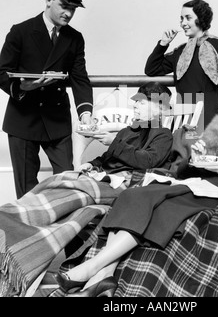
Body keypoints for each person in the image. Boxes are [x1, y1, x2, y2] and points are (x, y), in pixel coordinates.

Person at [52, 86, 218, 297]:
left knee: (163, 206)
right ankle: (103, 275)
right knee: (135, 194)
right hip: (199, 185)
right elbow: (185, 169)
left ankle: (91, 270)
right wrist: (197, 157)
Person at [0, 81, 174, 297]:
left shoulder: (162, 134)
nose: (135, 106)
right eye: (136, 101)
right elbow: (108, 158)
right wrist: (94, 164)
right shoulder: (130, 130)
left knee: (69, 184)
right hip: (101, 178)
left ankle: (18, 218)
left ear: (159, 107)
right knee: (62, 179)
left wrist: (114, 143)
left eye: (142, 102)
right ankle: (18, 214)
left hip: (120, 185)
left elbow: (148, 161)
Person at [0, 0, 94, 199]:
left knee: (66, 186)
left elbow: (80, 78)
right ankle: (30, 232)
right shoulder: (20, 32)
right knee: (26, 193)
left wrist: (86, 113)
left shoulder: (75, 38)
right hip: (23, 120)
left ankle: (63, 232)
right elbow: (1, 72)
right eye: (64, 6)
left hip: (56, 119)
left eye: (73, 9)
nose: (69, 14)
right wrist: (23, 87)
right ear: (48, 0)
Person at [145, 0, 218, 130]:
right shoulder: (180, 51)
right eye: (181, 19)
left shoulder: (217, 45)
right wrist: (163, 44)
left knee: (204, 149)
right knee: (183, 148)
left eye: (188, 18)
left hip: (208, 116)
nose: (183, 23)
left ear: (201, 19)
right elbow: (151, 69)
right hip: (183, 118)